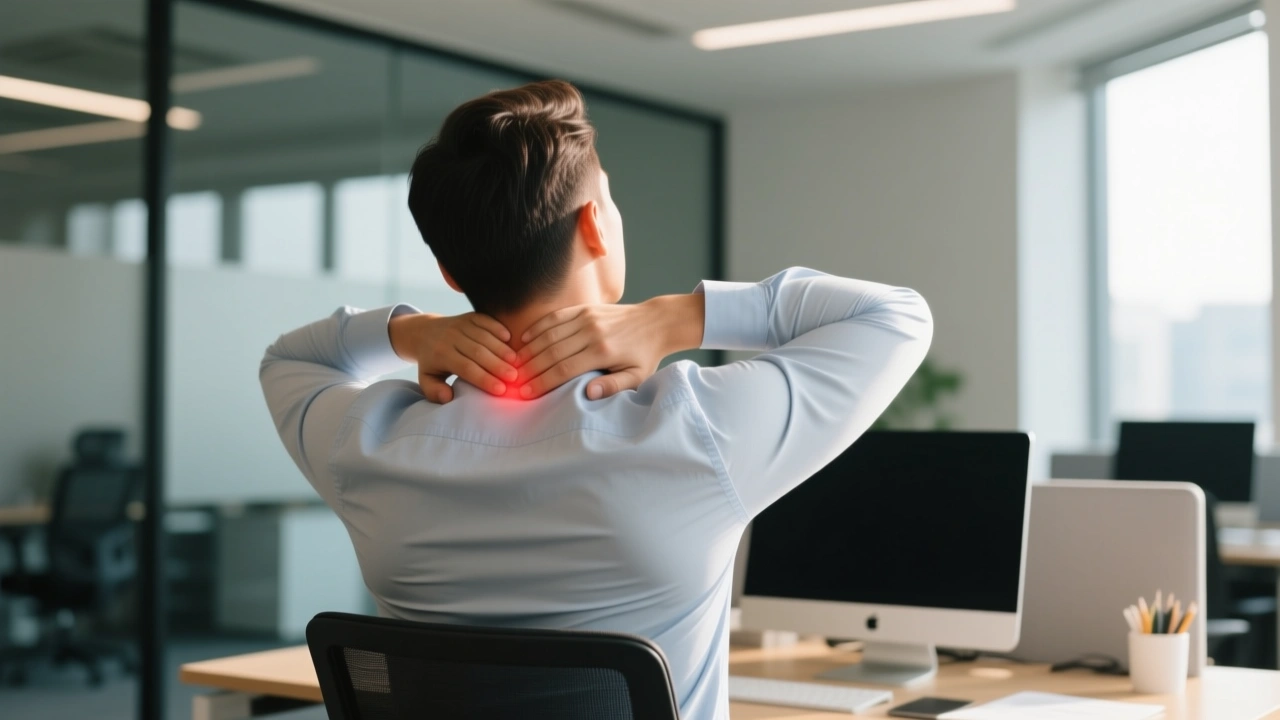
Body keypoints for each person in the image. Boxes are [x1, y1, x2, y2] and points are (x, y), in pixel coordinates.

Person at [260, 79, 932, 719]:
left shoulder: (367, 442)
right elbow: (893, 317)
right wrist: (677, 317)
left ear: (448, 271)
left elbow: (289, 359)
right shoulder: (693, 431)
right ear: (594, 226)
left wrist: (408, 332)